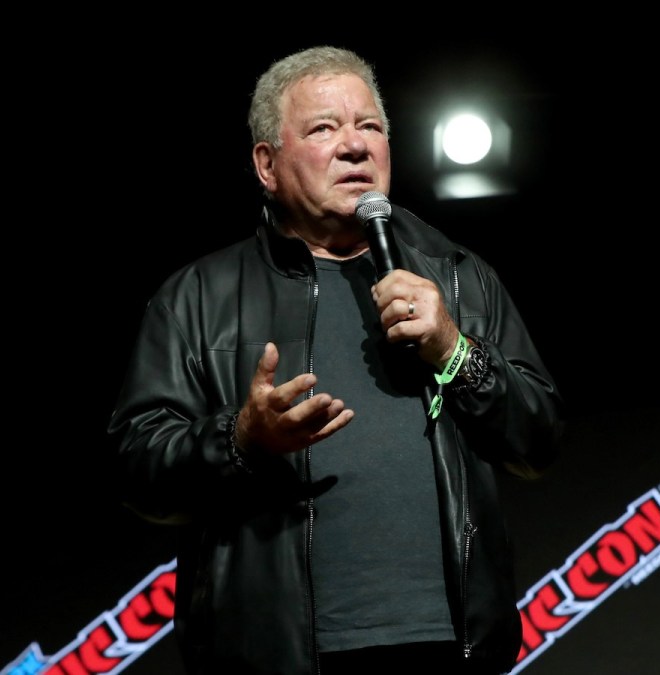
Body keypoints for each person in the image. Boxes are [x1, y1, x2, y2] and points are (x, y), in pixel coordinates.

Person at [106, 45, 566, 675]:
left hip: (449, 647)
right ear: (267, 165)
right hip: (280, 654)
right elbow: (136, 467)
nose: (356, 147)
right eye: (324, 128)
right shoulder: (197, 298)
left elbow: (538, 439)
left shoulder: (457, 278)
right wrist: (241, 439)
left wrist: (455, 351)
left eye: (370, 126)